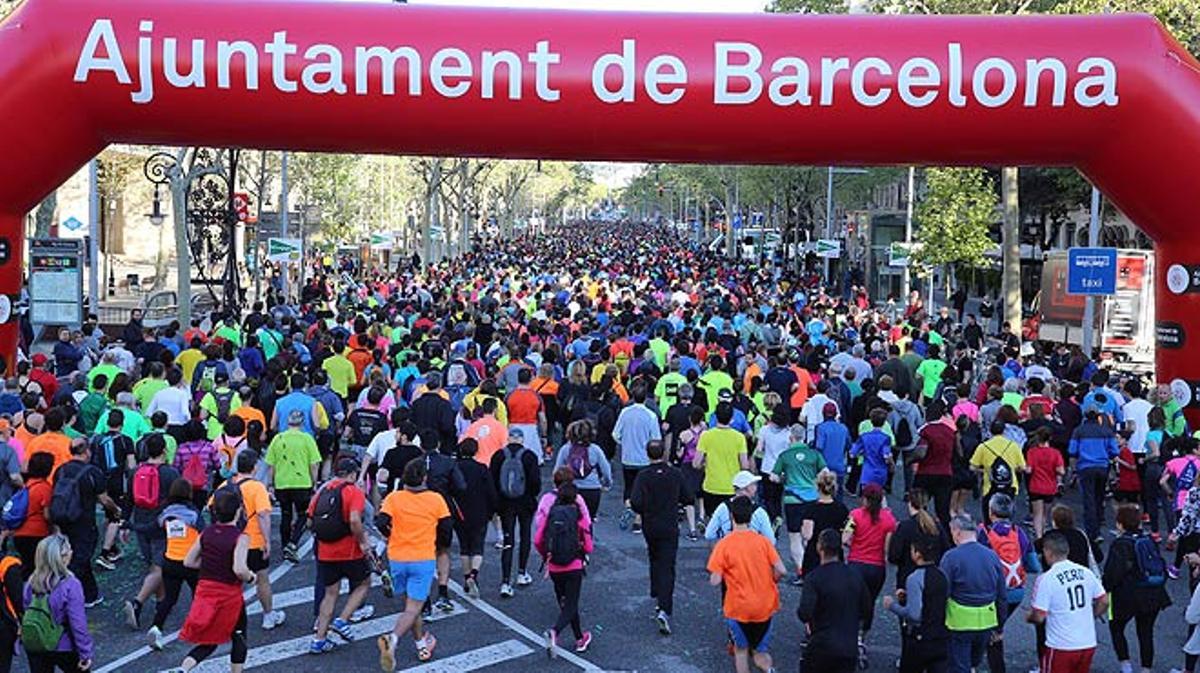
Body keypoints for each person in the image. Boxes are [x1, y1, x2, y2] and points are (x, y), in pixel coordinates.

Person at [377, 458, 451, 668]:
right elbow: (446, 529)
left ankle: (421, 645)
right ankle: (393, 639)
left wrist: (390, 535)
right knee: (412, 608)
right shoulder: (436, 500)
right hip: (422, 557)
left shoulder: (394, 498)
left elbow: (381, 522)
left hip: (397, 557)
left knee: (411, 606)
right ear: (425, 478)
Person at [174, 488, 256, 673]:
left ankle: (183, 669)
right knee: (239, 635)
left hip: (205, 591)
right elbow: (239, 569)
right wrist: (251, 577)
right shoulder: (240, 537)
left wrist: (210, 564)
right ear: (238, 510)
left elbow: (189, 561)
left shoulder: (207, 533)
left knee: (209, 639)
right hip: (228, 594)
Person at [707, 495, 785, 673]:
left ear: (732, 516)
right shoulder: (763, 542)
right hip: (764, 605)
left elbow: (715, 580)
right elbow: (781, 569)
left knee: (740, 651)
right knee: (760, 651)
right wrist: (772, 579)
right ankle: (767, 668)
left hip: (738, 607)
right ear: (751, 516)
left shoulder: (724, 545)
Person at [308, 457, 372, 655]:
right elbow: (354, 519)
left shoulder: (323, 491)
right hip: (349, 550)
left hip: (326, 550)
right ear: (352, 474)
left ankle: (319, 639)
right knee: (363, 583)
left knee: (330, 593)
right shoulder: (353, 492)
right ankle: (342, 620)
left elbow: (310, 520)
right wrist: (362, 541)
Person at [214, 450, 284, 630]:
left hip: (230, 541)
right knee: (262, 579)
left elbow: (212, 508)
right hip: (253, 541)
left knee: (230, 581)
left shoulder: (225, 485)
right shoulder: (257, 487)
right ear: (254, 467)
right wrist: (267, 540)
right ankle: (268, 615)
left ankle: (227, 617)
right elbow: (263, 516)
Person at [630, 439, 694, 635]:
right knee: (668, 564)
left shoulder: (643, 476)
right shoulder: (674, 474)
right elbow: (688, 497)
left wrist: (645, 510)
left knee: (654, 557)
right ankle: (664, 606)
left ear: (648, 454)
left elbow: (635, 502)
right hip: (669, 523)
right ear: (664, 453)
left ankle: (656, 590)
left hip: (651, 524)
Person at [51, 437, 121, 607]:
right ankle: (64, 595)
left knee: (77, 556)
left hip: (63, 519)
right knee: (80, 559)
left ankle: (91, 594)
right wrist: (116, 510)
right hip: (84, 521)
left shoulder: (61, 470)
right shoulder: (92, 472)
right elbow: (104, 499)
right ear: (87, 452)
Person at [123, 434, 181, 631]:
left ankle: (161, 603)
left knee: (154, 565)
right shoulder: (170, 473)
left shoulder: (134, 472)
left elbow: (128, 500)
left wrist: (124, 524)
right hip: (162, 524)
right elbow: (177, 499)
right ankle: (137, 602)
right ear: (164, 450)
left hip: (140, 523)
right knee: (159, 568)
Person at [1028, 530, 1109, 673]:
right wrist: (1092, 615)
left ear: (1048, 552)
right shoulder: (1085, 572)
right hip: (1087, 643)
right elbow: (1104, 600)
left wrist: (1029, 617)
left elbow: (1039, 616)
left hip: (1061, 646)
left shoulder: (1047, 579)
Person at [1103, 504, 1171, 673]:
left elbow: (1114, 573)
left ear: (1120, 523)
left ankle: (1126, 665)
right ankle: (1146, 669)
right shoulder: (1148, 540)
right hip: (1153, 593)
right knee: (1146, 632)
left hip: (1127, 595)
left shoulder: (1120, 544)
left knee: (1116, 626)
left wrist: (1104, 589)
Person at [978, 493, 1041, 673]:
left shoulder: (984, 533)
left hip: (994, 593)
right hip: (1016, 592)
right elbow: (1034, 566)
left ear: (991, 512)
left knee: (993, 634)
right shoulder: (1019, 532)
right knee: (996, 628)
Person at [797, 527, 871, 672]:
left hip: (821, 645)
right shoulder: (854, 576)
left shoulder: (814, 578)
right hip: (848, 647)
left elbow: (804, 612)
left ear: (820, 547)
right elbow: (867, 610)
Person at [534, 480, 595, 658]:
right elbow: (589, 546)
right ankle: (555, 631)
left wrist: (546, 555)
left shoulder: (551, 515)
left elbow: (538, 540)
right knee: (571, 603)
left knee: (565, 602)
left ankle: (579, 638)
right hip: (574, 564)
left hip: (554, 566)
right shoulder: (578, 516)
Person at [941, 513, 1007, 673]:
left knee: (959, 665)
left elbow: (943, 592)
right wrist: (999, 627)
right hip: (986, 621)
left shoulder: (951, 557)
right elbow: (1001, 595)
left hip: (959, 622)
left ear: (956, 532)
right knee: (973, 663)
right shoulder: (992, 556)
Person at [21, 535, 94, 673]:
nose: (72, 553)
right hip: (63, 645)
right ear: (62, 557)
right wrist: (85, 653)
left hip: (37, 643)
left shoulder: (30, 584)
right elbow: (78, 623)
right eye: (69, 550)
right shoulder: (70, 585)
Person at [842, 482, 896, 668]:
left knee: (851, 602)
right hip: (876, 567)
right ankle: (861, 638)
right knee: (869, 603)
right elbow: (887, 549)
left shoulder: (855, 515)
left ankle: (848, 636)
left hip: (856, 564)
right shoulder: (888, 519)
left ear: (864, 498)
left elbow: (845, 538)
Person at [147, 478, 203, 650]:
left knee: (169, 599)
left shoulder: (165, 514)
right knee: (198, 596)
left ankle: (156, 628)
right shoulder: (193, 514)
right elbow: (204, 533)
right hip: (191, 563)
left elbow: (150, 528)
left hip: (170, 561)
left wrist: (128, 525)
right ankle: (197, 629)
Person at [884, 536, 949, 673]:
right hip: (940, 636)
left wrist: (892, 606)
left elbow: (914, 615)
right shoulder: (942, 575)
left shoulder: (914, 578)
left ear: (918, 554)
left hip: (920, 639)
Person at [265, 409, 322, 563]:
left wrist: (270, 483)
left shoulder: (278, 438)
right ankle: (293, 543)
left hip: (282, 482)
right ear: (302, 423)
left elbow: (271, 465)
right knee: (303, 514)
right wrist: (314, 482)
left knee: (286, 514)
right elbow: (314, 464)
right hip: (302, 482)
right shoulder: (307, 439)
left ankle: (285, 546)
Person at [489, 427, 541, 598]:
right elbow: (535, 482)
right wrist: (531, 496)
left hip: (505, 504)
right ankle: (522, 572)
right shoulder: (529, 456)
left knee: (508, 539)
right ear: (522, 439)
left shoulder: (498, 456)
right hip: (525, 503)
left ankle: (505, 581)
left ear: (509, 438)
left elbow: (493, 480)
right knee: (525, 535)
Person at [771, 424, 826, 583]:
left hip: (792, 500)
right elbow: (825, 472)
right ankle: (815, 568)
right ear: (804, 437)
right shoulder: (814, 454)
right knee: (810, 536)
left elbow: (774, 477)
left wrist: (783, 479)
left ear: (791, 437)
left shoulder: (785, 456)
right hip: (811, 498)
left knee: (794, 538)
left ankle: (802, 571)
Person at [613, 382, 662, 533]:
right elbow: (656, 438)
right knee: (643, 490)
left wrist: (624, 443)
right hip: (644, 459)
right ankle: (638, 519)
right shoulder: (651, 416)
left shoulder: (625, 413)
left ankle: (629, 507)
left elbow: (615, 434)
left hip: (628, 457)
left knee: (629, 487)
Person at [453, 438, 497, 598]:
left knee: (465, 547)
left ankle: (466, 578)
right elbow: (491, 492)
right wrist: (492, 510)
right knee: (478, 546)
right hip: (480, 512)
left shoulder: (455, 468)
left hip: (459, 512)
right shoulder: (482, 468)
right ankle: (474, 575)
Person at [1069, 409, 1120, 543]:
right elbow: (1114, 451)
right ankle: (1098, 522)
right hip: (1102, 467)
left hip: (1085, 467)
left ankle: (1092, 531)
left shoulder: (1079, 431)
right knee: (1099, 497)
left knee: (1088, 499)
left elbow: (1072, 450)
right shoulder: (1106, 431)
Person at [695, 402, 751, 520]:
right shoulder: (739, 437)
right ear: (731, 418)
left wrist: (705, 465)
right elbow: (745, 465)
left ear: (715, 416)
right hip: (732, 487)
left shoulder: (706, 436)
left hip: (711, 486)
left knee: (714, 521)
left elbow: (696, 463)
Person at [552, 420, 612, 522]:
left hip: (571, 488)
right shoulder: (595, 450)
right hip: (592, 488)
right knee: (588, 520)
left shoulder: (565, 449)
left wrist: (556, 487)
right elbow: (606, 469)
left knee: (571, 519)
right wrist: (607, 484)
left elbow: (557, 470)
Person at [970, 419, 1027, 525]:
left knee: (989, 516)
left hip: (990, 485)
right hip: (1010, 484)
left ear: (991, 431)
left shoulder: (984, 446)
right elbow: (1022, 467)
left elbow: (973, 467)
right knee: (1007, 514)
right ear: (1004, 431)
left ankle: (989, 535)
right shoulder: (1013, 446)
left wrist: (984, 470)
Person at [11, 452, 54, 574]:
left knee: (27, 566)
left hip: (19, 533)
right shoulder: (44, 488)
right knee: (37, 569)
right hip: (37, 534)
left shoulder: (27, 485)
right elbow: (47, 515)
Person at [705, 471, 776, 542]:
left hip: (728, 550)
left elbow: (709, 534)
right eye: (753, 484)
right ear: (746, 487)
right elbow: (771, 540)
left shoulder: (723, 507)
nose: (756, 487)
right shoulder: (759, 512)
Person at [1026, 427, 1065, 539]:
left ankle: (1039, 536)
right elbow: (1061, 471)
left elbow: (1029, 470)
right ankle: (1043, 533)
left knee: (1037, 514)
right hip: (1049, 487)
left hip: (1036, 486)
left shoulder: (1032, 452)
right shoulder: (1055, 453)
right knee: (1045, 514)